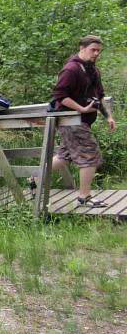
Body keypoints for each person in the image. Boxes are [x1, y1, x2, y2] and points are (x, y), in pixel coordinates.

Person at [50, 35, 117, 209]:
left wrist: (108, 116)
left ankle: (33, 178)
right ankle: (84, 197)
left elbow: (99, 95)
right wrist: (82, 109)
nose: (96, 53)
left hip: (82, 120)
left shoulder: (93, 70)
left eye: (98, 51)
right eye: (93, 49)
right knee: (90, 154)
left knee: (64, 156)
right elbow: (59, 95)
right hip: (71, 119)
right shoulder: (71, 69)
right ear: (81, 47)